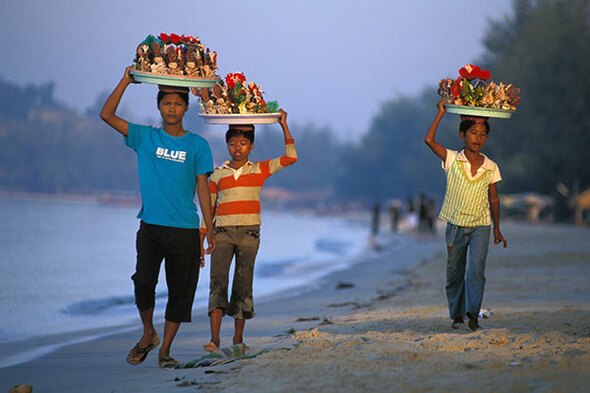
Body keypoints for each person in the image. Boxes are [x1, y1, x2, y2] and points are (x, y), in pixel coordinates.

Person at [99, 66, 216, 368]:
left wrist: (210, 227)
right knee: (143, 282)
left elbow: (203, 187)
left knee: (181, 291)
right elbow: (107, 115)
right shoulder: (145, 138)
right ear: (158, 106)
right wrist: (126, 79)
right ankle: (148, 332)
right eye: (166, 103)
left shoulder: (198, 145)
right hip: (151, 226)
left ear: (186, 107)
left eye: (177, 103)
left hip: (185, 229)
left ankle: (165, 349)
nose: (172, 108)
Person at [201, 110, 297, 351]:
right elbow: (209, 208)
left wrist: (283, 125)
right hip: (221, 233)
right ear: (226, 144)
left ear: (251, 146)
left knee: (243, 284)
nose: (237, 148)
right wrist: (202, 239)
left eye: (243, 143)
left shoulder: (259, 170)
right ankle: (214, 340)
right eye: (232, 143)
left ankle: (238, 340)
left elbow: (291, 157)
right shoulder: (217, 174)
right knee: (217, 283)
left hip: (249, 234)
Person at [424, 98, 507, 331]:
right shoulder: (452, 159)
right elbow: (428, 140)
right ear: (463, 135)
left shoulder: (491, 166)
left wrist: (498, 229)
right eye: (473, 133)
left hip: (481, 226)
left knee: (476, 272)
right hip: (456, 227)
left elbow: (494, 199)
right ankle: (457, 315)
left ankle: (472, 316)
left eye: (482, 134)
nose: (478, 138)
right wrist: (440, 113)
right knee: (454, 274)